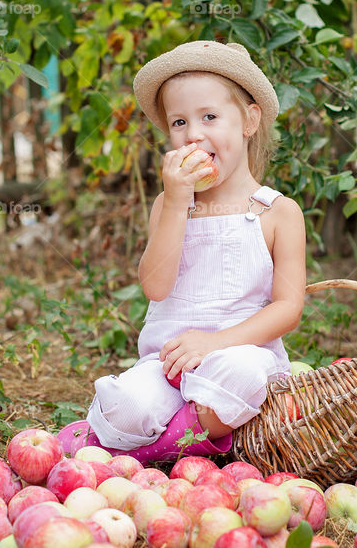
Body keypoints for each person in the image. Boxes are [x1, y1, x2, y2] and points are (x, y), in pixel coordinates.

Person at [58, 40, 307, 463]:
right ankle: (178, 439)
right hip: (166, 363)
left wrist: (215, 344)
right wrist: (175, 201)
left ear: (248, 120)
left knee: (244, 376)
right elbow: (155, 286)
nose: (193, 134)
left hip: (237, 356)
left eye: (210, 116)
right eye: (179, 122)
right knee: (127, 405)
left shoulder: (277, 212)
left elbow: (289, 308)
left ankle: (145, 452)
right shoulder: (169, 205)